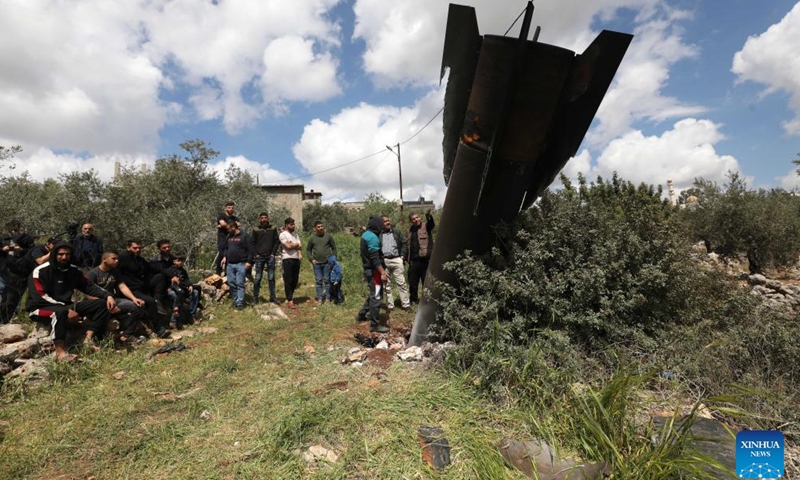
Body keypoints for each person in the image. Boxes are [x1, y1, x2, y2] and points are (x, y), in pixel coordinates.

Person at [26, 241, 116, 361]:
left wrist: (107, 295)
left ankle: (88, 338)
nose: (64, 257)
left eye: (67, 254)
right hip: (40, 307)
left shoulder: (73, 271)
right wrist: (66, 309)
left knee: (102, 304)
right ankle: (60, 352)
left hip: (66, 305)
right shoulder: (40, 271)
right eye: (61, 254)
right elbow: (39, 297)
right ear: (54, 254)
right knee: (59, 313)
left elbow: (89, 286)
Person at [87, 252, 148, 343]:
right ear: (104, 259)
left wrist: (134, 298)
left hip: (114, 300)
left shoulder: (115, 272)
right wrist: (106, 305)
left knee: (137, 306)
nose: (117, 261)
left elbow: (122, 286)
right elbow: (89, 295)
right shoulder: (92, 273)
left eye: (117, 259)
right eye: (113, 259)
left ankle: (127, 335)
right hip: (99, 303)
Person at [117, 239, 170, 338]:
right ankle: (159, 328)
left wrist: (171, 275)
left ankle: (158, 300)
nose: (137, 250)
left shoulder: (139, 259)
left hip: (141, 286)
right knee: (150, 301)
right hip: (131, 289)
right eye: (135, 248)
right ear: (128, 248)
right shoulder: (123, 258)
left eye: (139, 248)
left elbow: (151, 267)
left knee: (160, 277)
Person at [356, 216, 389, 333]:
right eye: (381, 224)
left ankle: (361, 314)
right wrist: (382, 272)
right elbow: (375, 258)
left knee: (373, 293)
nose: (382, 226)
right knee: (377, 297)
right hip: (375, 272)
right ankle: (374, 325)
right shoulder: (373, 238)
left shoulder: (365, 235)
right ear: (377, 225)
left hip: (369, 270)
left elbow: (365, 257)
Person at [221, 222, 254, 310]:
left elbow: (251, 250)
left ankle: (240, 303)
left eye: (228, 229)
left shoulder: (245, 236)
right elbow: (226, 248)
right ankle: (235, 301)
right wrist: (224, 256)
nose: (227, 230)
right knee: (231, 283)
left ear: (233, 227)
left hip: (241, 263)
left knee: (240, 283)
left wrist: (249, 262)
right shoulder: (229, 237)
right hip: (230, 264)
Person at [380, 215, 410, 311]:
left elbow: (405, 243)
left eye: (388, 220)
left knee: (401, 283)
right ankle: (390, 306)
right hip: (385, 261)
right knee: (386, 285)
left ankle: (406, 305)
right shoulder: (379, 234)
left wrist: (402, 257)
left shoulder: (396, 231)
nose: (388, 222)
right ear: (381, 223)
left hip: (397, 260)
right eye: (385, 221)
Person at [165, 252, 201, 328]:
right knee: (176, 295)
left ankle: (192, 316)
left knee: (195, 292)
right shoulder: (170, 270)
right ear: (174, 261)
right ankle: (173, 321)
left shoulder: (183, 271)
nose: (181, 262)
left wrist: (190, 285)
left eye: (182, 261)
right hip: (172, 289)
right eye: (179, 261)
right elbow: (167, 281)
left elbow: (187, 280)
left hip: (182, 289)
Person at [252, 212, 280, 304]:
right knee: (258, 278)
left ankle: (273, 297)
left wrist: (273, 253)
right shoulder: (256, 229)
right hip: (259, 257)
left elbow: (277, 241)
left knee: (271, 277)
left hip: (270, 256)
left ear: (268, 219)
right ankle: (255, 298)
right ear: (259, 219)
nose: (264, 219)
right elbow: (252, 242)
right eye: (262, 218)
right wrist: (256, 254)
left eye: (265, 218)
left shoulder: (273, 228)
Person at [306, 220, 337, 303]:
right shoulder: (312, 238)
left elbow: (334, 248)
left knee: (327, 280)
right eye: (318, 227)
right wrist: (311, 259)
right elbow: (308, 250)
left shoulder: (328, 237)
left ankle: (327, 298)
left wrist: (333, 258)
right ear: (315, 228)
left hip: (327, 263)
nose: (320, 228)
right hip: (317, 264)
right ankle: (319, 299)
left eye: (321, 226)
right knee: (319, 280)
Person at [407, 210, 435, 304]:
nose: (416, 220)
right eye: (413, 219)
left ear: (420, 217)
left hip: (425, 260)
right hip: (414, 261)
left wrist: (429, 216)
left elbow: (431, 224)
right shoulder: (411, 230)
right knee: (412, 282)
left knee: (426, 282)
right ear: (411, 221)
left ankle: (427, 300)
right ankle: (413, 300)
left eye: (417, 217)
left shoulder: (426, 226)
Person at [279, 217, 302, 309]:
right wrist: (295, 244)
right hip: (287, 258)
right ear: (286, 225)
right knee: (288, 279)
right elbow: (288, 246)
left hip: (296, 258)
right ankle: (290, 300)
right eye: (291, 224)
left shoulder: (296, 235)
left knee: (295, 279)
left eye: (293, 224)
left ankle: (290, 295)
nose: (293, 225)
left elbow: (300, 246)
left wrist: (294, 244)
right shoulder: (283, 235)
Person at [214, 202, 239, 275]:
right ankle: (218, 272)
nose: (231, 209)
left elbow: (238, 225)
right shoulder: (221, 216)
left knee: (229, 255)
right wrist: (231, 226)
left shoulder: (235, 218)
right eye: (229, 207)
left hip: (232, 239)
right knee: (221, 254)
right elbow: (222, 223)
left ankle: (228, 273)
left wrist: (224, 226)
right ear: (225, 208)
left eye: (232, 208)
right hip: (222, 239)